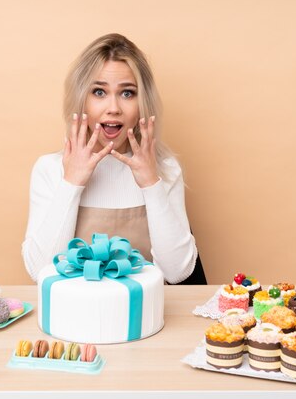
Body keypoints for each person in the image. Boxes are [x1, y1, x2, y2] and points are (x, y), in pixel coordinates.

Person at [22, 33, 205, 284]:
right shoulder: (50, 169)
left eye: (127, 93)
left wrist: (152, 184)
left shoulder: (165, 169)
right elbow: (41, 272)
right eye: (99, 92)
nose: (114, 108)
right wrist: (71, 182)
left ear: (143, 103)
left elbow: (178, 273)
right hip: (76, 318)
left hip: (144, 319)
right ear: (81, 101)